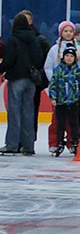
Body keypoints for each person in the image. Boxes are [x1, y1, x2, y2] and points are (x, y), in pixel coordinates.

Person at [0, 13, 44, 156]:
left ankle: (12, 144)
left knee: (14, 113)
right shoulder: (34, 39)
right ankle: (28, 145)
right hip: (31, 80)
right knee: (28, 112)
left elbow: (9, 59)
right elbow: (39, 58)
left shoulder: (14, 39)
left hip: (17, 78)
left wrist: (2, 68)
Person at [43, 21, 76, 152]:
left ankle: (72, 143)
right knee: (57, 118)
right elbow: (48, 67)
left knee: (73, 119)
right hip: (59, 91)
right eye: (65, 31)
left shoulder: (78, 48)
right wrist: (55, 82)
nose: (68, 33)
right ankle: (54, 142)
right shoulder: (54, 49)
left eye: (70, 31)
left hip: (73, 91)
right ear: (61, 33)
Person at [19, 10, 50, 140]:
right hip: (19, 78)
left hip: (34, 81)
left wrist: (39, 78)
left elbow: (46, 61)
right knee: (18, 109)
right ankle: (19, 139)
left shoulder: (41, 40)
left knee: (32, 110)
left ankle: (30, 138)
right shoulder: (16, 38)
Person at [48, 44, 79, 156]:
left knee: (74, 123)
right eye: (67, 55)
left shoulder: (77, 71)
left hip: (74, 102)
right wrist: (53, 97)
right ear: (63, 57)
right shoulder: (58, 70)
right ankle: (59, 142)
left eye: (71, 56)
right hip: (61, 102)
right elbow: (53, 85)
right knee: (60, 124)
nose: (69, 58)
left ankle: (74, 142)